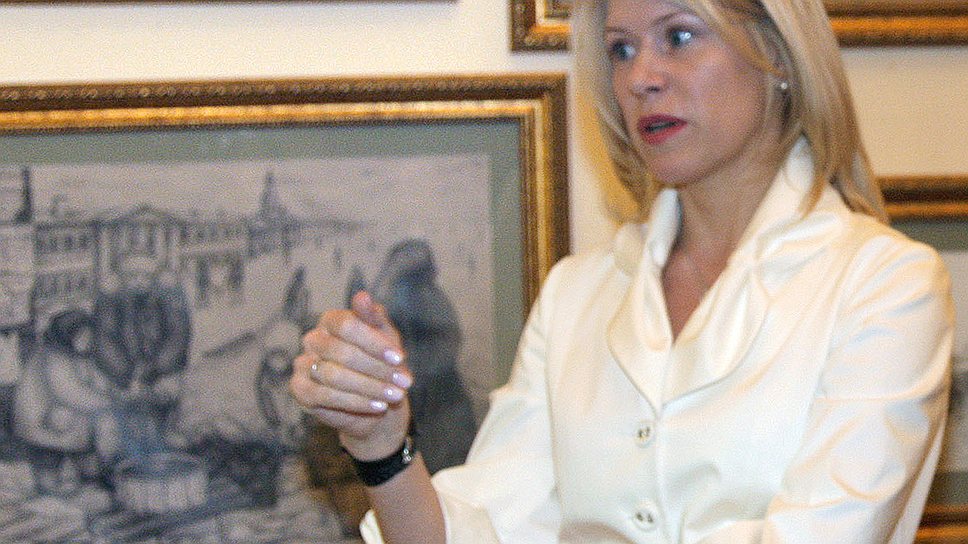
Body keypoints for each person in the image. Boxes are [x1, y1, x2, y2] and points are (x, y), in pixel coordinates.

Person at [290, 0, 954, 541]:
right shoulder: (576, 294)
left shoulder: (885, 286)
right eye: (621, 50)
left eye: (680, 36)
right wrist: (382, 445)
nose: (641, 78)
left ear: (778, 52)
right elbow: (483, 529)